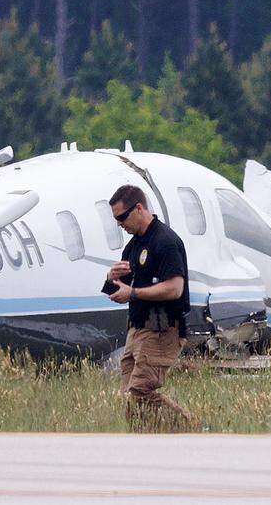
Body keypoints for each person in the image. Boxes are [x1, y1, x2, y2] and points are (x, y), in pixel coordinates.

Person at [105, 183, 194, 430]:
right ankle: (144, 439)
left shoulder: (165, 241)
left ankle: (191, 429)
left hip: (162, 329)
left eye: (122, 217)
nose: (119, 224)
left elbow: (175, 288)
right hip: (137, 330)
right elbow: (116, 292)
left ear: (139, 208)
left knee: (140, 391)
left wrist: (132, 292)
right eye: (116, 219)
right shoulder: (133, 246)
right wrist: (111, 278)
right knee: (128, 398)